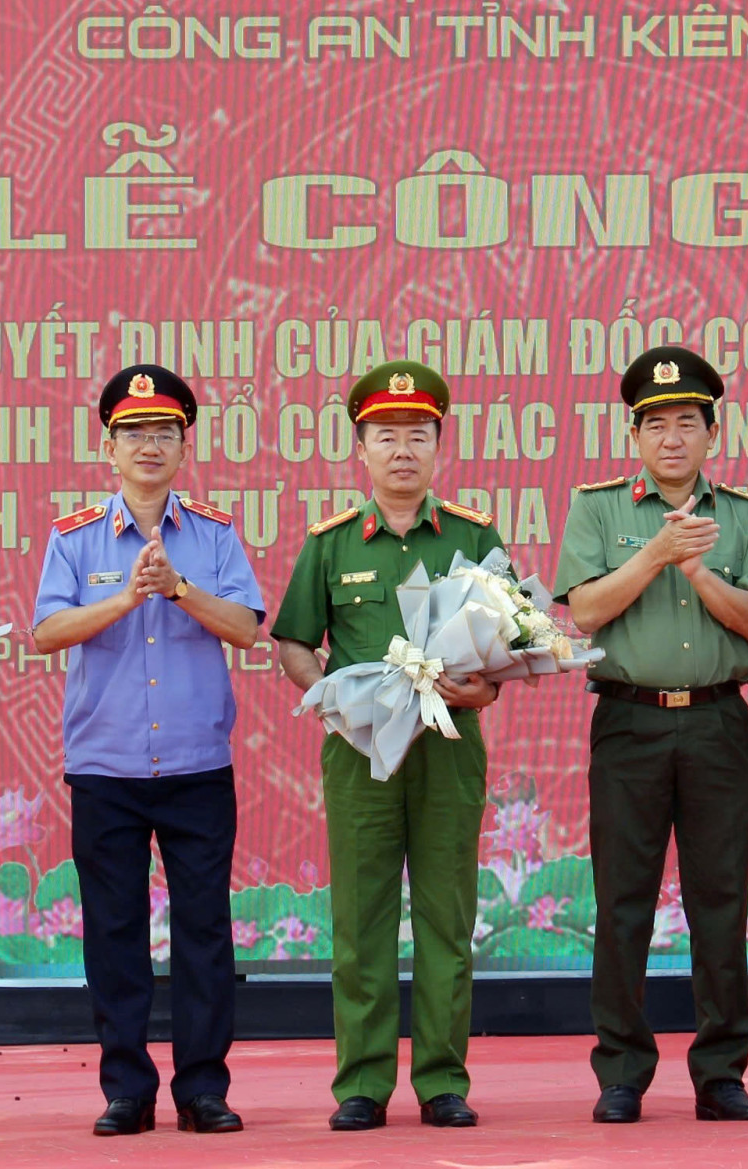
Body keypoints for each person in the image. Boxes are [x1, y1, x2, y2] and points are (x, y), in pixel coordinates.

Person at [551, 346, 748, 1125]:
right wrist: (657, 552)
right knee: (624, 901)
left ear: (711, 434)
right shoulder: (600, 509)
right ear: (635, 435)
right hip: (629, 719)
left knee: (721, 898)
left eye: (688, 422)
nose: (672, 438)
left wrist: (700, 572)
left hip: (719, 720)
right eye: (656, 424)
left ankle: (722, 1072)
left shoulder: (744, 516)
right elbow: (582, 613)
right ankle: (621, 1071)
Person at [31, 365, 266, 1137]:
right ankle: (126, 1087)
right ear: (109, 446)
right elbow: (46, 632)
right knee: (115, 929)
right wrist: (126, 597)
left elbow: (246, 626)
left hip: (198, 764)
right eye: (135, 432)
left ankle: (203, 1086)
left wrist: (179, 591)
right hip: (106, 766)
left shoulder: (216, 533)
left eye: (165, 432)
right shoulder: (72, 538)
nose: (150, 445)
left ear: (184, 444)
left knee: (204, 930)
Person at [271, 360, 505, 1132]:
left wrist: (488, 686)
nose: (402, 450)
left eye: (417, 434)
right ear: (361, 449)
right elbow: (298, 643)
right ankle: (363, 1082)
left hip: (448, 745)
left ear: (439, 443)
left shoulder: (474, 536)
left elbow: (508, 645)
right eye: (385, 436)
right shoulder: (333, 544)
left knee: (446, 916)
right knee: (363, 915)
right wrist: (329, 701)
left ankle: (442, 1078)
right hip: (360, 751)